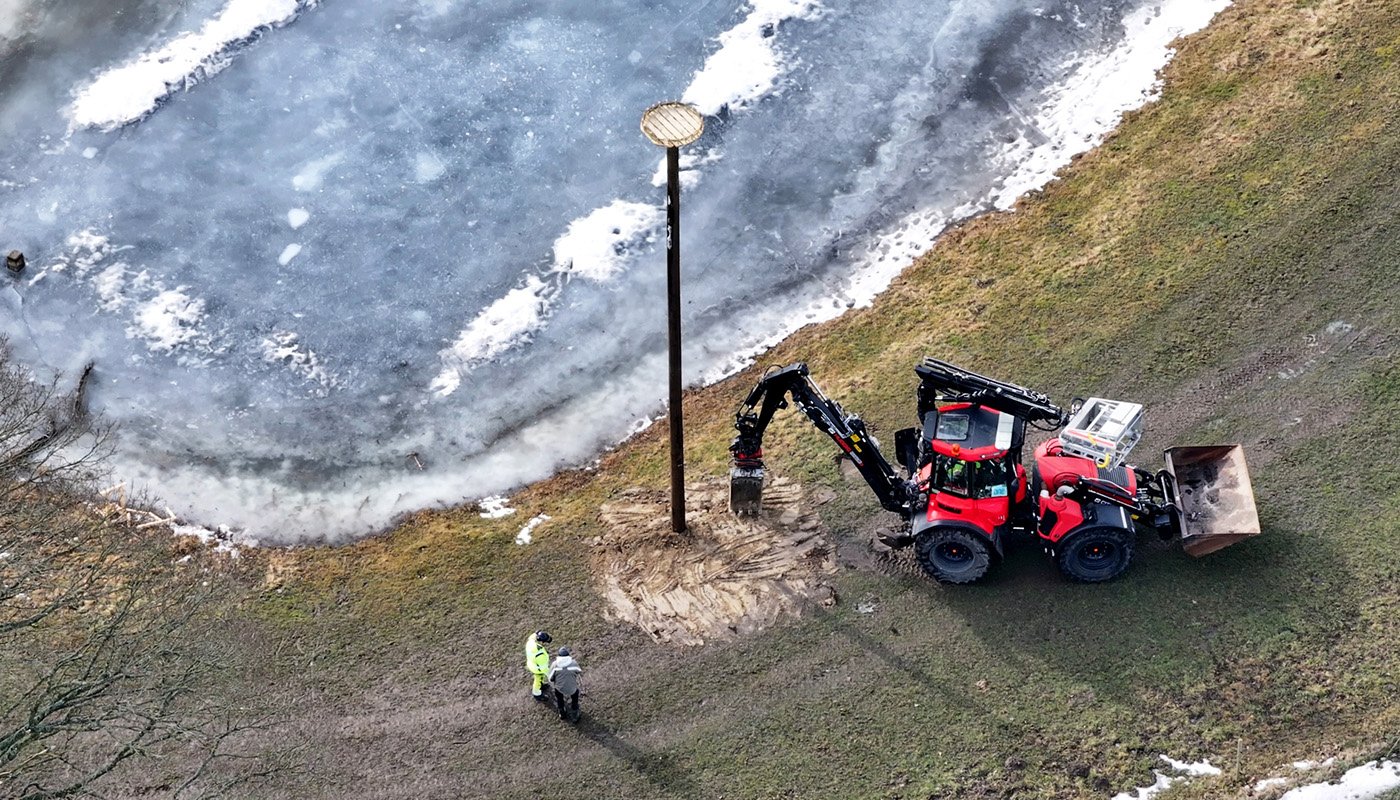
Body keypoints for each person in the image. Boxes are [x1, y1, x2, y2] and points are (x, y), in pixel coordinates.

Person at [547, 646, 583, 722]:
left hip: (560, 688)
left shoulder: (555, 665)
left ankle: (562, 712)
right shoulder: (573, 663)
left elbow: (550, 678)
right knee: (575, 695)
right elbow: (579, 671)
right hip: (572, 688)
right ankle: (575, 712)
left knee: (559, 698)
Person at [524, 630, 551, 700]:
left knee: (540, 678)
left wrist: (537, 633)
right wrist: (551, 676)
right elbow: (544, 668)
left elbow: (532, 637)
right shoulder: (540, 653)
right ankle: (537, 693)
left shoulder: (530, 643)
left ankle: (541, 685)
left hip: (532, 663)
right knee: (538, 678)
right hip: (537, 669)